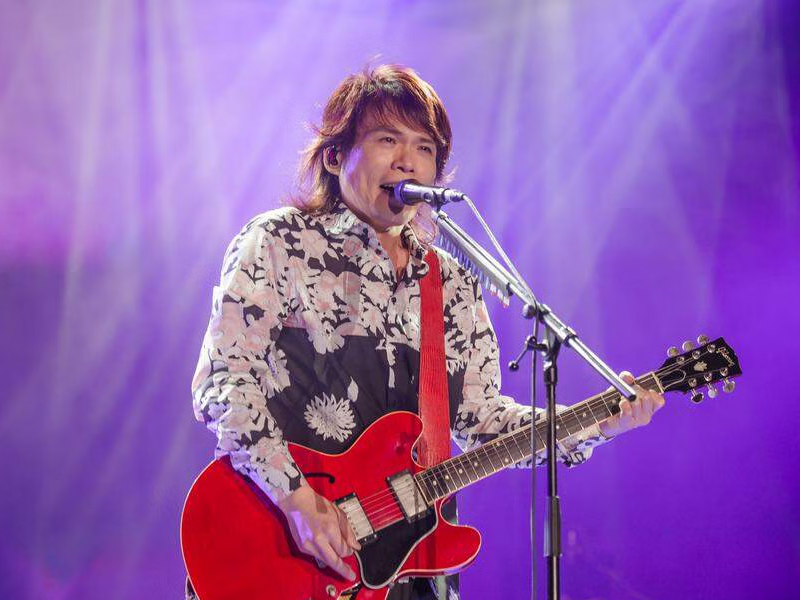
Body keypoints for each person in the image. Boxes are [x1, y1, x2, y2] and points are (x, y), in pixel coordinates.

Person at [189, 64, 665, 600]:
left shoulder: (452, 282)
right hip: (286, 551)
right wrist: (296, 500)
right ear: (334, 155)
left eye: (424, 147)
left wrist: (599, 423)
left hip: (416, 571)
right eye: (386, 139)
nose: (407, 160)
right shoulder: (279, 244)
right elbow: (224, 384)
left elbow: (482, 420)